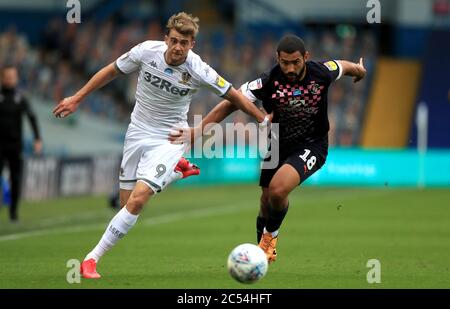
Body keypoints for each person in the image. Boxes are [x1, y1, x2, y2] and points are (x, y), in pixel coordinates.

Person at [52, 12, 269, 279]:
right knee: (125, 205)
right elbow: (111, 70)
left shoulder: (199, 69)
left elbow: (235, 96)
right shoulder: (145, 51)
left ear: (192, 45)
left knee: (138, 200)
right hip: (137, 132)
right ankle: (177, 171)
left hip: (170, 137)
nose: (178, 47)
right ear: (166, 38)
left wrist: (262, 119)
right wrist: (77, 97)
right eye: (175, 40)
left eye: (185, 43)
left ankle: (90, 260)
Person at [169, 34, 366, 263]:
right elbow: (230, 103)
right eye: (285, 63)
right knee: (266, 200)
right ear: (277, 59)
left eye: (296, 62)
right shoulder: (268, 81)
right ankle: (259, 255)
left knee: (278, 189)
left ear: (306, 57)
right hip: (278, 143)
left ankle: (268, 242)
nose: (290, 68)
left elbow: (344, 66)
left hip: (313, 144)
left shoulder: (321, 72)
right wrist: (198, 131)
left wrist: (359, 71)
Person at [0, 65, 42, 222]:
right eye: (8, 76)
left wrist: (37, 138)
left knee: (16, 179)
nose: (11, 79)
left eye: (13, 77)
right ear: (2, 78)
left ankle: (13, 213)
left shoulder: (20, 97)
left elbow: (32, 117)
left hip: (15, 145)